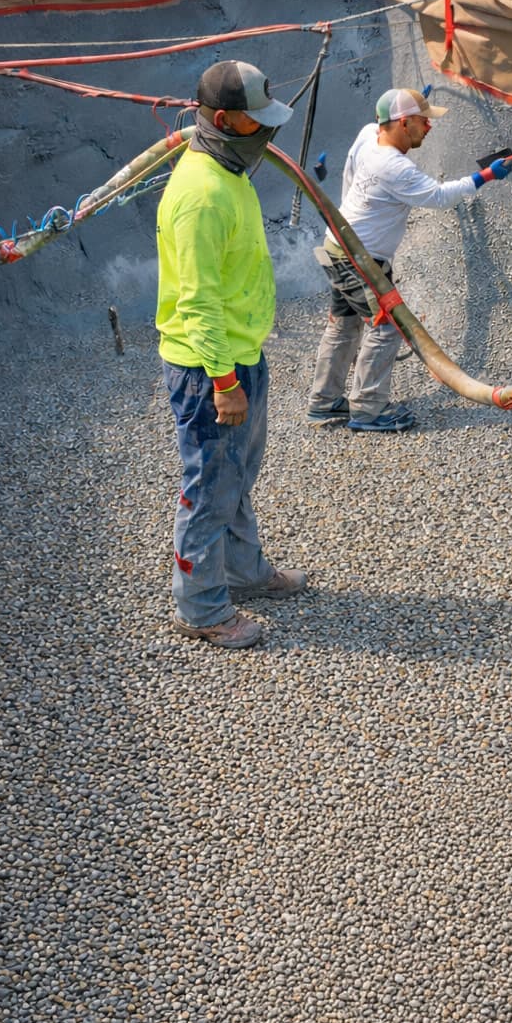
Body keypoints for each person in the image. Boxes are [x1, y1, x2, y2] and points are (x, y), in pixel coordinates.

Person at [156, 60, 305, 650]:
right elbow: (196, 301)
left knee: (237, 477)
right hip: (208, 367)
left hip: (241, 355)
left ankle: (243, 571)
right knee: (209, 486)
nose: (267, 132)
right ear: (222, 120)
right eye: (256, 120)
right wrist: (223, 380)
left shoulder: (230, 170)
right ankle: (201, 608)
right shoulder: (199, 196)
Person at [307, 87, 512, 434]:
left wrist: (415, 100)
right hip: (361, 259)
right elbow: (438, 196)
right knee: (387, 326)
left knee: (344, 325)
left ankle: (324, 400)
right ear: (402, 123)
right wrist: (485, 176)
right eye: (423, 121)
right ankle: (369, 410)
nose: (429, 128)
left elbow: (354, 166)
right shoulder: (396, 167)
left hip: (338, 244)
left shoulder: (369, 134)